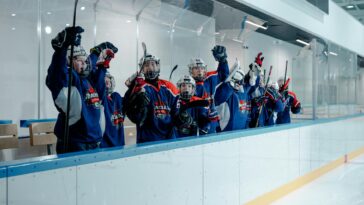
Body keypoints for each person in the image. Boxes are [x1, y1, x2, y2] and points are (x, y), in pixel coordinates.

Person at [46, 27, 102, 153]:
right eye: (78, 60)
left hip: (94, 140)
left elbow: (91, 64)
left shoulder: (87, 80)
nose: (83, 64)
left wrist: (97, 52)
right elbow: (56, 74)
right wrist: (62, 48)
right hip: (75, 141)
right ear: (69, 61)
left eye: (84, 61)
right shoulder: (70, 77)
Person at [124, 49, 179, 143]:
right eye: (146, 65)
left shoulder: (169, 87)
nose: (150, 67)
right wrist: (138, 106)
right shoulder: (139, 87)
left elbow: (177, 114)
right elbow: (134, 117)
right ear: (142, 68)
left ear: (158, 66)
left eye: (153, 64)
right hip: (148, 141)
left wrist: (182, 118)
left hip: (169, 140)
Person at [88, 42, 125, 147]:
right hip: (105, 148)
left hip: (120, 147)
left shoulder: (116, 98)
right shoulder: (100, 99)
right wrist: (103, 66)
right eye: (104, 80)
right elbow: (100, 87)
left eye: (108, 79)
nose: (107, 82)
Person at [188, 45, 230, 133]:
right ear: (191, 70)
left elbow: (223, 75)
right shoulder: (187, 85)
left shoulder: (210, 78)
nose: (200, 71)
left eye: (202, 68)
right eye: (196, 68)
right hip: (197, 126)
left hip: (213, 124)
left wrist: (223, 61)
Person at [214, 60, 257, 131]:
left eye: (240, 81)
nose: (239, 83)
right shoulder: (227, 91)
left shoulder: (243, 91)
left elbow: (250, 83)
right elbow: (219, 96)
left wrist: (252, 73)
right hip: (227, 132)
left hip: (242, 130)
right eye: (236, 80)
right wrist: (230, 84)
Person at [249, 53, 284, 127]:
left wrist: (275, 96)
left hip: (266, 125)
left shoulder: (266, 91)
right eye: (259, 76)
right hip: (253, 126)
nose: (260, 78)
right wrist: (255, 103)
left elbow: (280, 108)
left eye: (262, 76)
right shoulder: (250, 89)